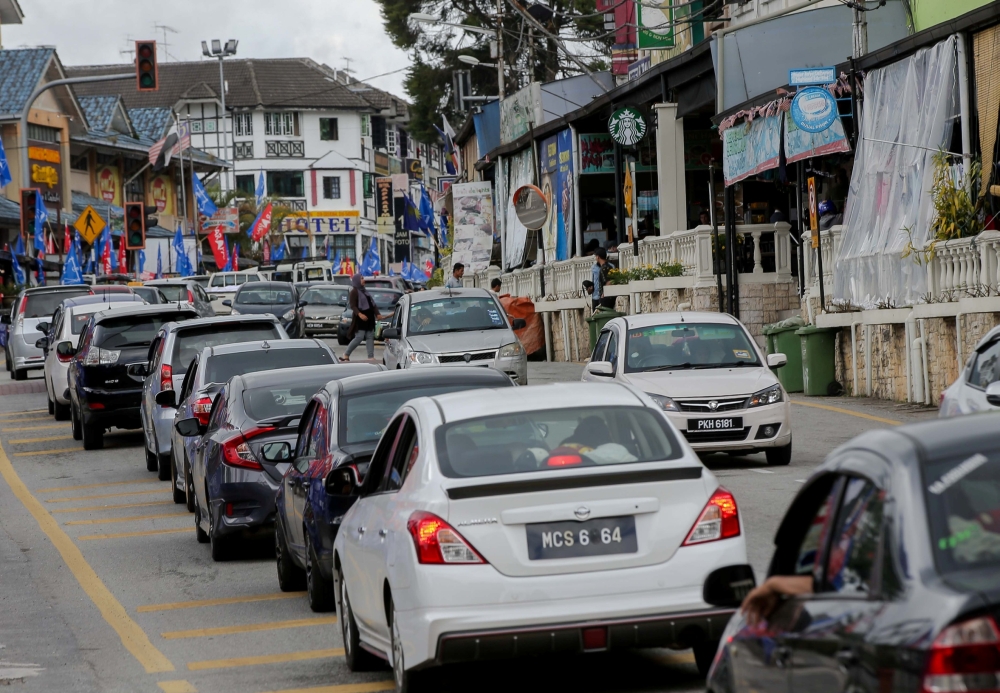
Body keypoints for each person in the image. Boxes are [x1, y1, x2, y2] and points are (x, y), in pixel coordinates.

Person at [341, 274, 380, 362]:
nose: (363, 280)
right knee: (359, 337)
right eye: (361, 278)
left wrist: (377, 314)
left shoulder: (365, 291)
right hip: (360, 318)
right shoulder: (354, 291)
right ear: (357, 281)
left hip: (369, 317)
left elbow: (372, 304)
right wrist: (360, 314)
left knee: (370, 336)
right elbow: (353, 306)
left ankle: (370, 356)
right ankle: (346, 354)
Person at [591, 248, 609, 312]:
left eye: (596, 256)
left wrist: (604, 293)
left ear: (598, 257)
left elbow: (608, 281)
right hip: (596, 296)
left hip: (604, 297)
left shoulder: (604, 268)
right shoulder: (595, 268)